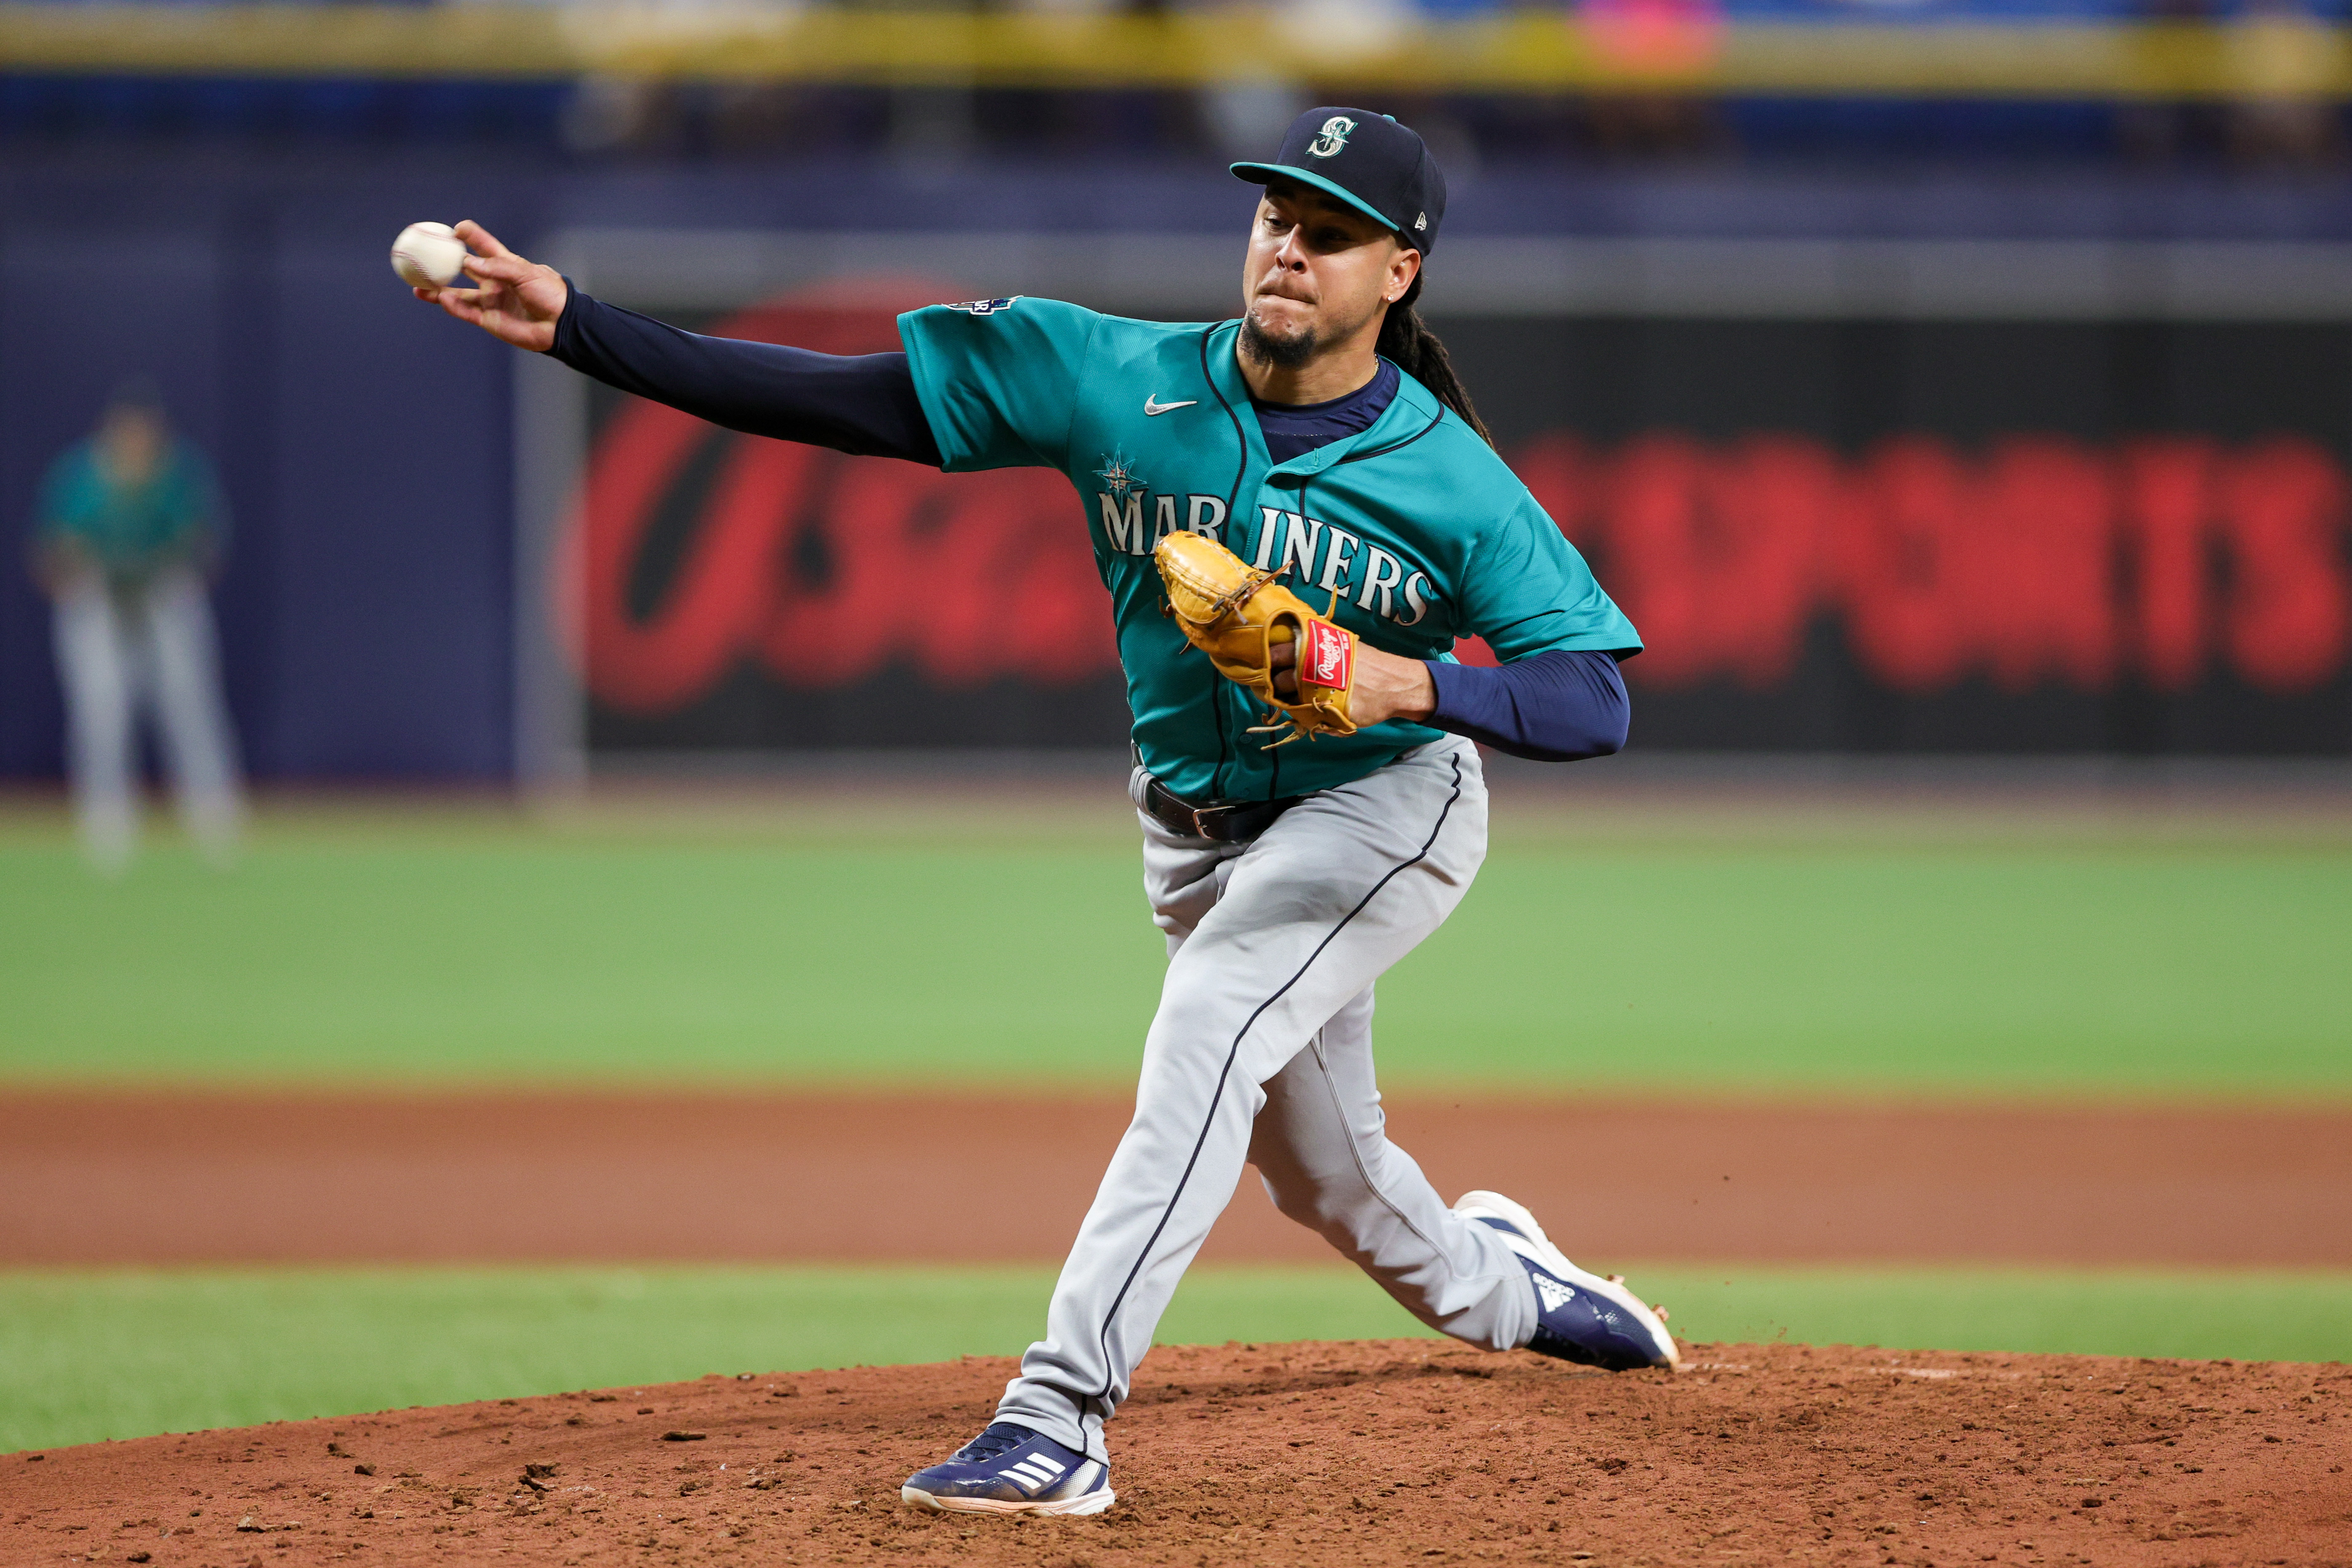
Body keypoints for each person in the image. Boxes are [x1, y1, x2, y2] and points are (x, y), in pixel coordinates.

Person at [416, 105, 1676, 1520]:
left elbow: (1592, 702)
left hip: (1383, 808)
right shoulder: (1112, 374)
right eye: (1274, 217)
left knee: (1210, 1024)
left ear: (1400, 272)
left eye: (1329, 235)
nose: (1287, 248)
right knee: (1322, 1181)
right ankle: (1506, 1284)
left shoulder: (1450, 478)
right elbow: (844, 400)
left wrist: (1406, 680)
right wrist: (581, 325)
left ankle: (1057, 1416)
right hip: (1193, 832)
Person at [32, 381, 243, 872]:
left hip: (162, 595)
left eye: (145, 434)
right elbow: (51, 552)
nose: (136, 442)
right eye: (128, 433)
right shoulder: (80, 474)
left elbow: (205, 542)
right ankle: (107, 824)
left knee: (189, 706)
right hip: (99, 598)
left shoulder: (176, 473)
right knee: (102, 712)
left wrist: (166, 568)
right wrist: (83, 571)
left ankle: (214, 817)